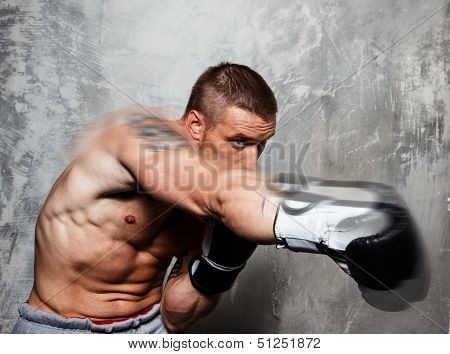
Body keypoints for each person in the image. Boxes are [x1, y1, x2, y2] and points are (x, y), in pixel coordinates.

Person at [12, 63, 423, 334]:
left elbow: (176, 312)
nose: (250, 161)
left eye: (260, 145)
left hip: (151, 330)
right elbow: (215, 194)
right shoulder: (136, 136)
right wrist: (329, 224)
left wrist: (222, 260)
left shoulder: (231, 198)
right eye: (238, 141)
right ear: (195, 123)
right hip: (61, 331)